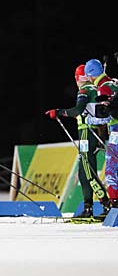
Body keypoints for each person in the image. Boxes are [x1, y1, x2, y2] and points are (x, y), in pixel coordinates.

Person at [45, 64, 111, 221]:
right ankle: (88, 207)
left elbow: (78, 110)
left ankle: (106, 203)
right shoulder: (96, 88)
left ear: (78, 78)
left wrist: (59, 112)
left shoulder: (84, 90)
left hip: (87, 134)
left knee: (88, 172)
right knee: (84, 171)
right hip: (95, 132)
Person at [84, 58, 118, 210]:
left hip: (116, 130)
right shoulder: (113, 83)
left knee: (111, 169)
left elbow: (106, 115)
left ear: (91, 75)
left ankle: (115, 203)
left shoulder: (103, 88)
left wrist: (88, 119)